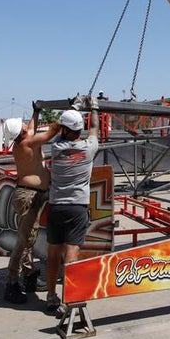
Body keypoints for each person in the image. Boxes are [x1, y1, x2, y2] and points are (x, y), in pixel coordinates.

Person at [44, 109, 99, 314]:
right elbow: (94, 128)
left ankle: (51, 297)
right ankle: (69, 299)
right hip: (77, 208)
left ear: (65, 129)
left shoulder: (56, 147)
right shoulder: (89, 148)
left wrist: (71, 112)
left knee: (53, 255)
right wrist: (94, 108)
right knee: (71, 255)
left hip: (56, 206)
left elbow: (58, 132)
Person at [2, 116, 61, 304]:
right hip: (29, 195)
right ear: (22, 130)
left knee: (28, 239)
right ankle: (11, 283)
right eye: (24, 123)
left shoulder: (22, 143)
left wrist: (36, 112)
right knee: (23, 241)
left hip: (29, 194)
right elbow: (52, 132)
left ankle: (29, 277)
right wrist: (68, 116)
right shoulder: (29, 142)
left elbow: (32, 127)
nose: (27, 123)